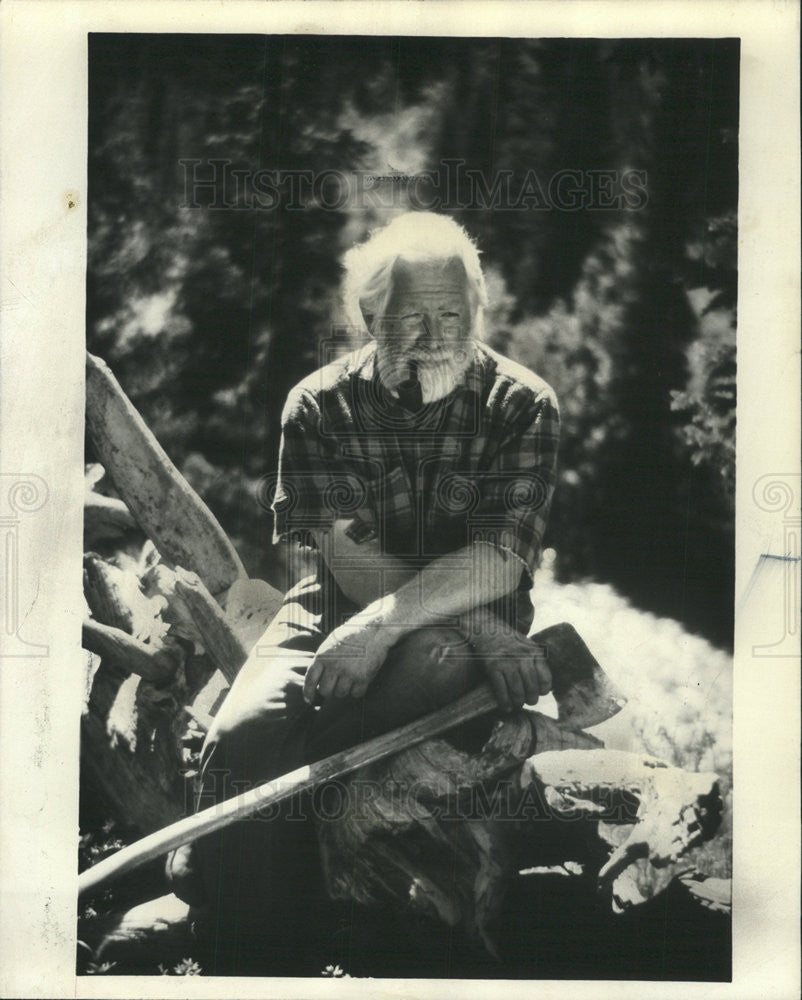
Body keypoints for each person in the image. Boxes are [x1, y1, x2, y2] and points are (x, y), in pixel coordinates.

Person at [167, 211, 560, 971]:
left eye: (456, 314)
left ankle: (221, 856)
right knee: (240, 733)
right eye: (415, 317)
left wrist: (411, 628)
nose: (440, 334)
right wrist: (407, 625)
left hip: (453, 628)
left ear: (479, 313)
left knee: (436, 659)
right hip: (332, 608)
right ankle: (255, 965)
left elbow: (499, 556)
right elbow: (349, 550)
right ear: (369, 314)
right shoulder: (317, 405)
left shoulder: (523, 404)